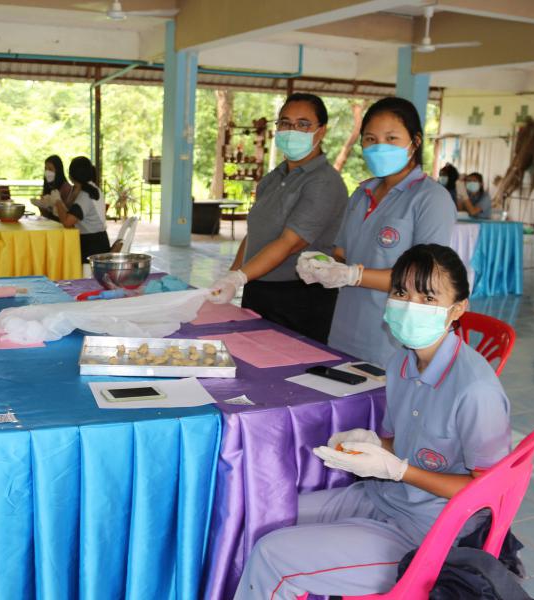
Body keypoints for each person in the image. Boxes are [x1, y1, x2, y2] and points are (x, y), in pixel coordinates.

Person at [235, 244, 511, 599]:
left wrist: (399, 471)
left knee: (272, 556)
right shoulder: (401, 363)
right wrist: (374, 444)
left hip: (429, 534)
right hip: (383, 497)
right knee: (262, 514)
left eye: (428, 298)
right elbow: (398, 443)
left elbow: (485, 491)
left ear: (457, 309)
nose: (410, 306)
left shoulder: (475, 390)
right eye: (401, 293)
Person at [297, 97, 456, 366]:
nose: (380, 146)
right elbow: (342, 254)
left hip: (392, 339)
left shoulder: (431, 199)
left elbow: (422, 278)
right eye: (370, 139)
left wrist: (354, 275)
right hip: (345, 329)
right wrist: (322, 265)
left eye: (391, 138)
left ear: (415, 141)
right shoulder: (362, 193)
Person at [208, 93, 348, 343]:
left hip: (298, 297)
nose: (292, 130)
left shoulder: (323, 182)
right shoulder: (274, 178)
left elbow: (290, 243)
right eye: (285, 122)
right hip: (258, 286)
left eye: (303, 124)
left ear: (321, 131)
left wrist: (239, 277)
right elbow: (255, 234)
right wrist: (231, 275)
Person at [53, 156, 110, 262]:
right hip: (98, 242)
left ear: (72, 175)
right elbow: (70, 211)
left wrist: (57, 200)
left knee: (60, 256)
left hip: (93, 248)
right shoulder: (92, 188)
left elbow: (67, 222)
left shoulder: (85, 195)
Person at [34, 155, 74, 219]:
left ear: (58, 170)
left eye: (50, 169)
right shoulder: (48, 187)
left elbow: (68, 213)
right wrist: (41, 205)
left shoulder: (66, 188)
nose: (47, 172)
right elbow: (45, 215)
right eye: (45, 169)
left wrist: (57, 203)